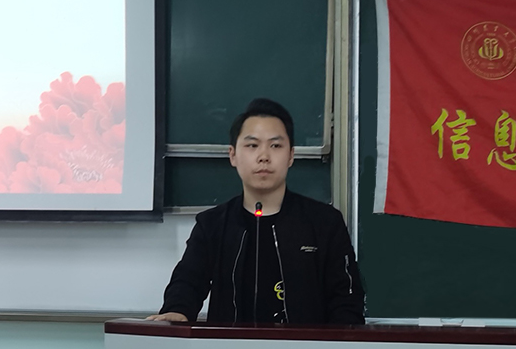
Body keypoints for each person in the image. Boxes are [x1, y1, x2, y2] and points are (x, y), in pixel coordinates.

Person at [149, 98, 365, 324]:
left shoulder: (325, 223)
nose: (264, 156)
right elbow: (187, 283)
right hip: (228, 346)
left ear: (291, 155)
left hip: (304, 347)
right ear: (233, 155)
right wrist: (177, 311)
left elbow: (347, 299)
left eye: (275, 146)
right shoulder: (212, 224)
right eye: (252, 145)